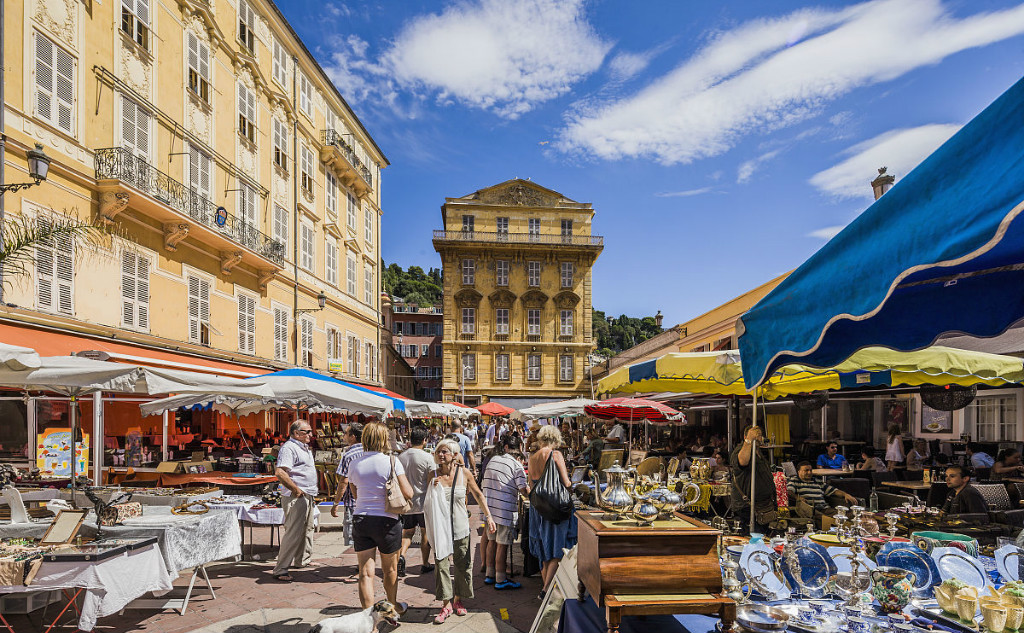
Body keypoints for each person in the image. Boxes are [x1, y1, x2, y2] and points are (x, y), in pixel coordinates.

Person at [429, 438, 496, 624]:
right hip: (440, 527)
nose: (441, 455)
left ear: (454, 454)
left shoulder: (464, 473)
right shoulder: (432, 475)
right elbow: (425, 502)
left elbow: (478, 495)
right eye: (439, 451)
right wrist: (430, 489)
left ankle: (458, 600)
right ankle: (445, 604)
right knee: (441, 565)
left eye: (445, 451)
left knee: (462, 564)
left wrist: (489, 517)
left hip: (460, 526)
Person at [347, 422, 413, 610]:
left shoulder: (354, 463)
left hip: (362, 519)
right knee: (389, 570)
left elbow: (355, 494)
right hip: (387, 520)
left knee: (365, 573)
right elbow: (408, 493)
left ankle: (369, 619)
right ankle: (392, 607)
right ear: (384, 439)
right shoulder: (391, 461)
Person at [528, 425, 577, 600]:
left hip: (538, 508)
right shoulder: (556, 455)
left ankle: (546, 589)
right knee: (558, 548)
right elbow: (566, 483)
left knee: (544, 548)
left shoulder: (532, 458)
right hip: (555, 508)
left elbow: (531, 486)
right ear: (556, 439)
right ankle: (547, 590)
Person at [481, 432, 530, 590]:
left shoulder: (493, 459)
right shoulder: (516, 465)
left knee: (491, 541)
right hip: (504, 509)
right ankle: (501, 578)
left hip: (489, 509)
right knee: (502, 544)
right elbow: (524, 489)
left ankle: (490, 574)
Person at [272, 420, 318, 581]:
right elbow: (280, 472)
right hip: (297, 495)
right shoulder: (289, 448)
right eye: (307, 431)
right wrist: (295, 489)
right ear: (296, 433)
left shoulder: (303, 447)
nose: (311, 435)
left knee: (307, 529)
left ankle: (302, 560)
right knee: (293, 532)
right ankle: (281, 568)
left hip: (308, 494)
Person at [398, 426, 435, 576]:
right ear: (424, 440)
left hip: (407, 502)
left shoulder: (401, 457)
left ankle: (402, 555)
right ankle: (425, 563)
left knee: (407, 533)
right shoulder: (427, 458)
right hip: (423, 502)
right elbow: (431, 481)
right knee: (425, 534)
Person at [729, 424, 777, 535]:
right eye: (755, 435)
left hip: (764, 506)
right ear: (746, 436)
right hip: (748, 507)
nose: (758, 438)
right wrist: (749, 440)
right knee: (754, 538)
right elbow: (743, 462)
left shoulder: (759, 453)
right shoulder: (740, 451)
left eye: (759, 435)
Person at [331, 422, 365, 557]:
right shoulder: (370, 451)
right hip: (370, 500)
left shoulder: (348, 454)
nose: (343, 436)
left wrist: (335, 503)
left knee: (354, 535)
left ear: (353, 437)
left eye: (346, 433)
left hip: (353, 501)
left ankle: (360, 566)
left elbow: (344, 481)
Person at [787, 461, 857, 523]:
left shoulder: (817, 481)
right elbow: (789, 491)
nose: (809, 472)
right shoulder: (794, 480)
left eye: (810, 470)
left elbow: (833, 491)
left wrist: (846, 495)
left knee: (847, 515)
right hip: (810, 510)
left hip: (824, 508)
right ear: (798, 472)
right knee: (823, 518)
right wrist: (798, 498)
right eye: (806, 470)